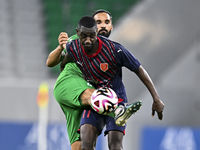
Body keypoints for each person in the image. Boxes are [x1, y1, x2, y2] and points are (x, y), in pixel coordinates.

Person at [61, 16, 165, 150]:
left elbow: (139, 69)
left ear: (96, 33)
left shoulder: (114, 50)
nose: (88, 40)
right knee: (86, 144)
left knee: (114, 145)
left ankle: (120, 112)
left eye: (92, 36)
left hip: (117, 100)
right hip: (94, 100)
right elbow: (64, 66)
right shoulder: (72, 47)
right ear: (77, 33)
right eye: (84, 36)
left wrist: (156, 99)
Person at [47, 10, 143, 150]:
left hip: (84, 100)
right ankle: (118, 111)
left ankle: (116, 110)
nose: (102, 26)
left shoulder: (110, 49)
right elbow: (50, 62)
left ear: (112, 26)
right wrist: (60, 47)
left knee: (80, 146)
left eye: (106, 22)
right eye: (98, 22)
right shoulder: (82, 38)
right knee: (101, 96)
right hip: (72, 82)